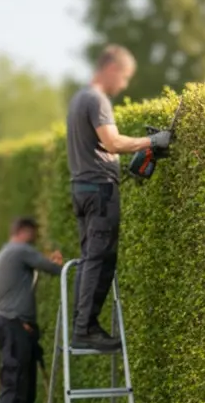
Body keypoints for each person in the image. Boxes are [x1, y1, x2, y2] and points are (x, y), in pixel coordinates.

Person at [65, 44, 171, 353]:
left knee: (90, 259)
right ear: (111, 68)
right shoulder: (96, 99)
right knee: (100, 260)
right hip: (99, 191)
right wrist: (152, 140)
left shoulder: (78, 99)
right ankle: (85, 329)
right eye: (124, 77)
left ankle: (84, 325)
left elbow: (98, 151)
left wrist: (134, 160)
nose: (124, 85)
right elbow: (111, 143)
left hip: (83, 187)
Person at [0, 217, 64, 403]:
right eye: (33, 233)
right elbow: (53, 269)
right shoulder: (20, 250)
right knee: (15, 385)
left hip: (14, 325)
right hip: (13, 325)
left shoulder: (7, 253)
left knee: (25, 387)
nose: (36, 238)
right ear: (23, 231)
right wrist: (59, 263)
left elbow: (32, 274)